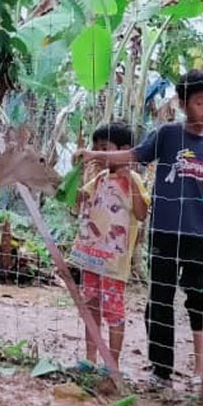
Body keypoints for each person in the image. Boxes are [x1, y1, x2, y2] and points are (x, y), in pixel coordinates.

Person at [76, 70, 203, 389]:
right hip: (165, 232)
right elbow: (134, 155)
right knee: (161, 300)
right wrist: (97, 154)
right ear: (182, 104)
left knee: (198, 301)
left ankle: (201, 370)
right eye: (199, 102)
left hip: (200, 234)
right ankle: (161, 371)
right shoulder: (167, 134)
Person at [69, 123, 150, 369]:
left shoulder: (133, 180)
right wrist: (78, 178)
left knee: (113, 311)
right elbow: (78, 204)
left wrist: (131, 181)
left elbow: (141, 213)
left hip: (115, 261)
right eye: (96, 149)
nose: (99, 154)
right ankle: (90, 358)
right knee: (91, 305)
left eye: (104, 149)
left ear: (124, 150)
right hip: (91, 256)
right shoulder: (98, 179)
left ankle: (111, 363)